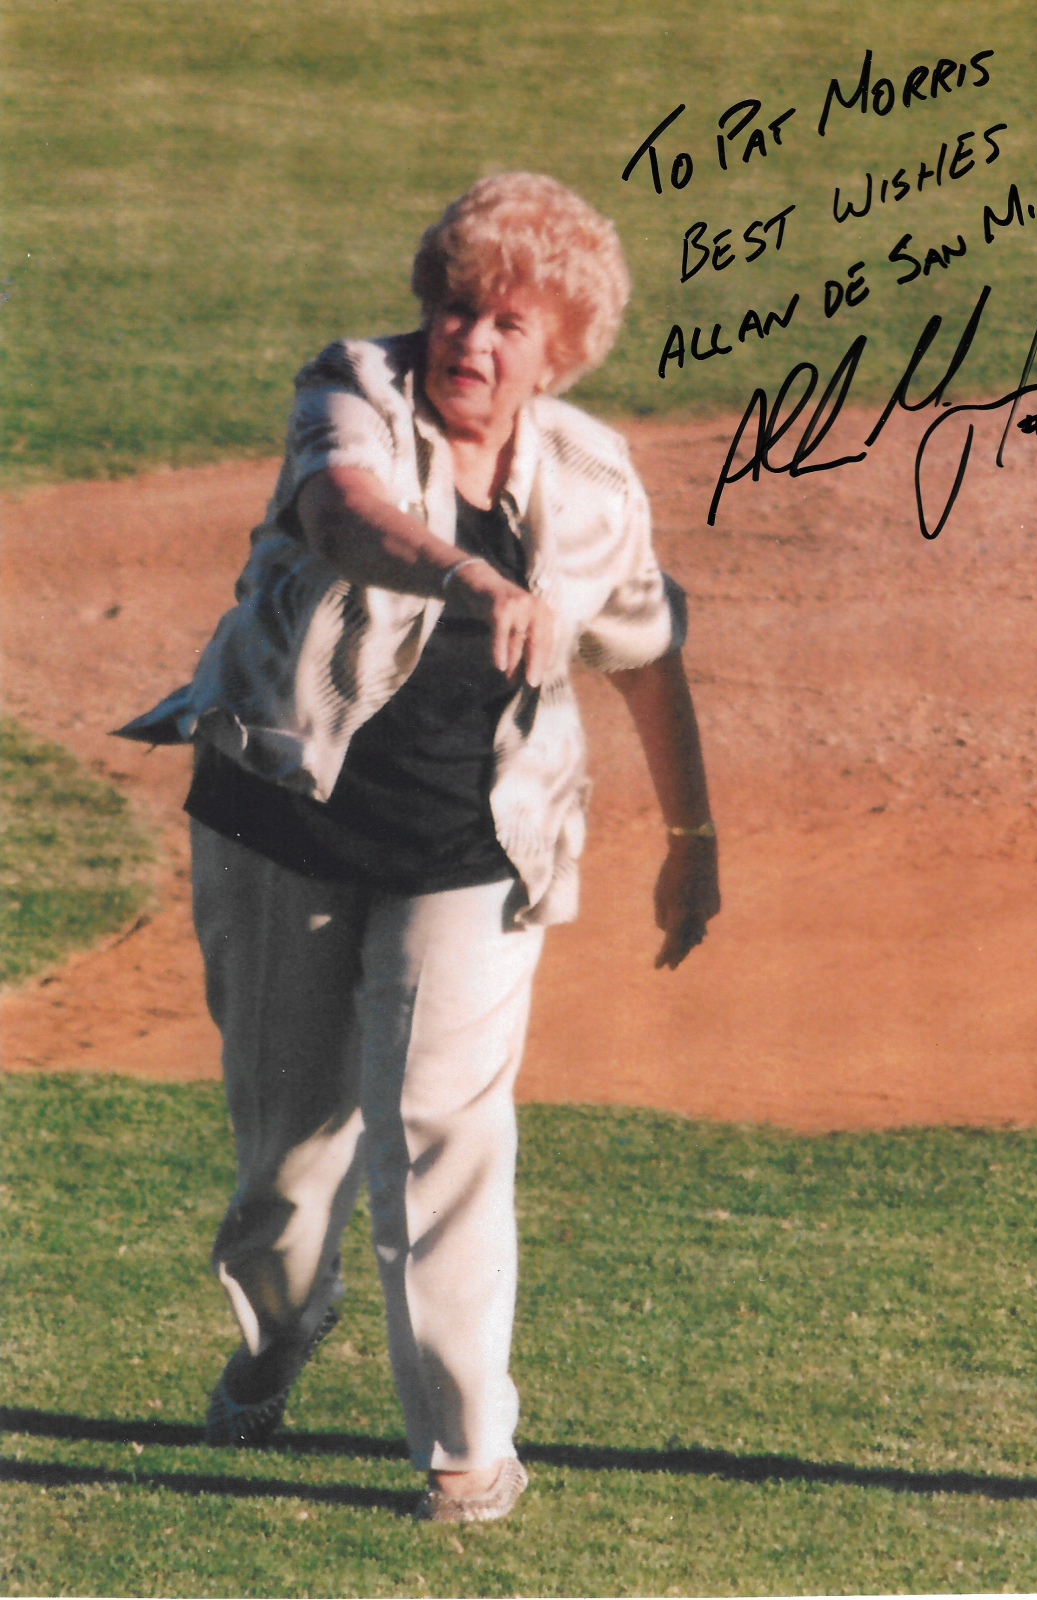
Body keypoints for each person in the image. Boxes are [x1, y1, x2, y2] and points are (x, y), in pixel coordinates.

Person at [117, 172, 719, 1524]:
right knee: (284, 1171)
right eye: (456, 309)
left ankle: (462, 1451)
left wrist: (693, 835)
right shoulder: (350, 394)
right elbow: (339, 515)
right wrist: (466, 574)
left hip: (473, 841)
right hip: (285, 819)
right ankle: (276, 1340)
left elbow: (646, 653)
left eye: (508, 324)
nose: (470, 342)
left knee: (442, 1132)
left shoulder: (586, 476)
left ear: (556, 352)